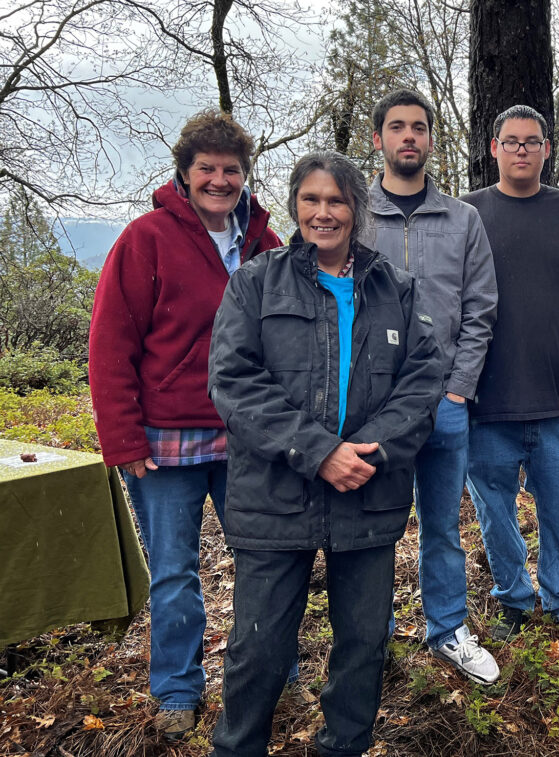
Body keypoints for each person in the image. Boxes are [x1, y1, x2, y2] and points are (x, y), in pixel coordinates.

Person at [208, 151, 441, 756]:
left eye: (336, 200)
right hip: (274, 495)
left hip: (367, 491)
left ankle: (343, 746)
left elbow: (422, 383)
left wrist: (366, 454)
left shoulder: (396, 288)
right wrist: (318, 452)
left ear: (356, 208)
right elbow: (233, 381)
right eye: (310, 199)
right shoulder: (255, 283)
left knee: (363, 644)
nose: (323, 213)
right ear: (295, 206)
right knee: (259, 647)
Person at [88, 109, 281, 740]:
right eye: (207, 169)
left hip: (247, 435)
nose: (219, 180)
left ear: (245, 175)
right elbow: (110, 343)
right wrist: (121, 438)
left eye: (231, 170)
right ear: (185, 173)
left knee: (264, 560)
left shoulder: (263, 242)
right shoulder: (145, 239)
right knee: (174, 570)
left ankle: (265, 673)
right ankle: (177, 688)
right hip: (164, 440)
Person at [366, 89, 499, 683]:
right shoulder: (355, 213)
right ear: (378, 139)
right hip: (372, 407)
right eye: (397, 127)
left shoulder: (462, 219)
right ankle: (371, 636)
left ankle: (447, 629)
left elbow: (481, 307)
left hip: (443, 402)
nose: (409, 137)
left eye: (418, 127)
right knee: (371, 527)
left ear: (429, 139)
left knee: (442, 526)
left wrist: (459, 389)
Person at [461, 105, 559, 643]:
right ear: (493, 148)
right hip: (486, 404)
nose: (521, 149)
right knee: (495, 515)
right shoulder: (467, 214)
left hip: (558, 401)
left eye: (532, 141)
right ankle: (514, 601)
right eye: (511, 141)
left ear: (547, 149)